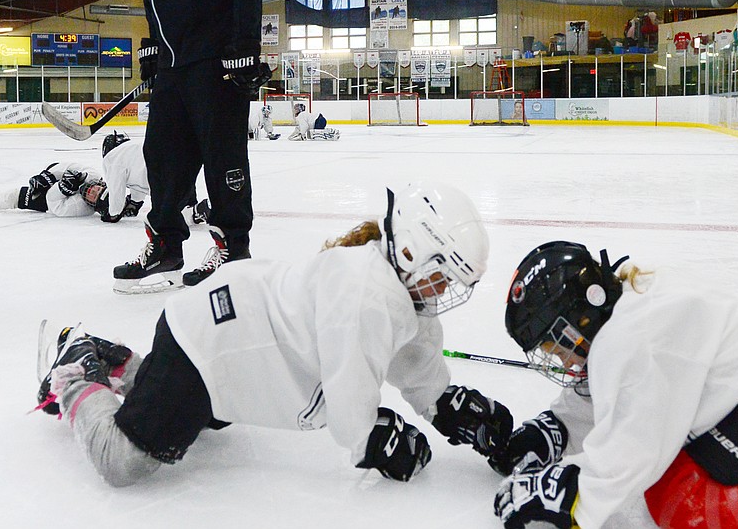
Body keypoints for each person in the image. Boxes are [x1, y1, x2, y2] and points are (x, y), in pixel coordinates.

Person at [35, 182, 513, 491]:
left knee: (197, 421)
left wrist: (450, 406)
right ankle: (76, 363)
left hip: (232, 347)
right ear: (412, 250)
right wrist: (374, 439)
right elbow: (351, 397)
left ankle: (123, 362)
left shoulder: (399, 287)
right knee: (124, 461)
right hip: (208, 346)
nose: (445, 289)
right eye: (443, 274)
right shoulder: (366, 294)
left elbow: (416, 358)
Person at [490, 240, 738, 529]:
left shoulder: (630, 339)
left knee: (676, 495)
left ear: (582, 314)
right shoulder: (630, 296)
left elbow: (631, 455)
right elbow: (622, 393)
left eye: (555, 343)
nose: (560, 359)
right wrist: (556, 427)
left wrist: (569, 498)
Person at [116, 0, 269, 293]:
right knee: (161, 157)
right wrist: (151, 46)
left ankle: (231, 245)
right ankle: (165, 245)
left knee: (222, 155)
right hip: (172, 66)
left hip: (215, 61)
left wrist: (244, 48)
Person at [101, 131, 212, 292]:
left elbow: (116, 196)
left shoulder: (112, 159)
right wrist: (134, 203)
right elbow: (137, 181)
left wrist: (111, 215)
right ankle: (195, 210)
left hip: (160, 178)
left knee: (167, 214)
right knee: (178, 205)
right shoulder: (132, 149)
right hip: (178, 166)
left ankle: (190, 218)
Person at [0, 161, 107, 217]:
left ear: (92, 204)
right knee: (49, 172)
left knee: (14, 197)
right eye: (97, 190)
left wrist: (62, 189)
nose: (91, 191)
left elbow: (53, 204)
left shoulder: (80, 208)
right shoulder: (92, 175)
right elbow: (65, 166)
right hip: (57, 181)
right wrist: (46, 176)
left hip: (50, 200)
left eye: (93, 196)